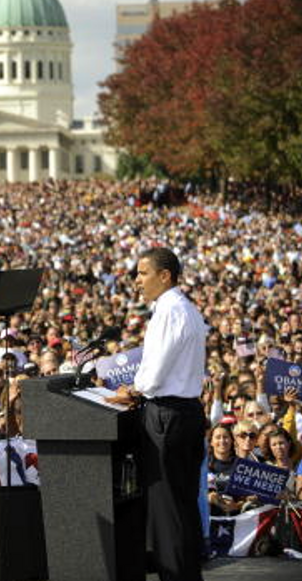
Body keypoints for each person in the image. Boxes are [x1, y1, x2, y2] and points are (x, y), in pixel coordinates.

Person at [127, 247, 207, 581]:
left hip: (166, 416)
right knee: (183, 506)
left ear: (165, 275)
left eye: (142, 273)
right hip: (187, 413)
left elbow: (153, 374)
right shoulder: (187, 309)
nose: (136, 281)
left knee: (166, 513)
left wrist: (130, 390)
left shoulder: (168, 311)